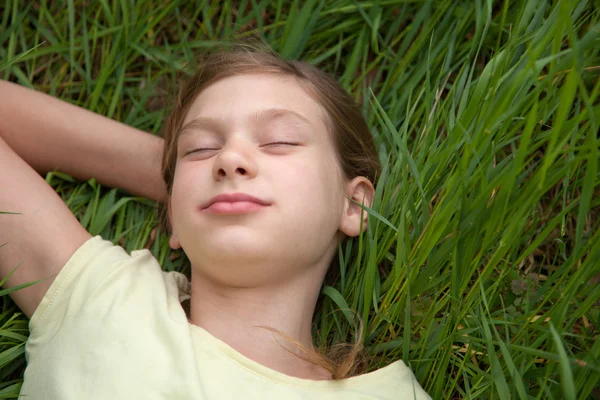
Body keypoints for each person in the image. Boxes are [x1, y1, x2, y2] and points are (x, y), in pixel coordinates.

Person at [0, 45, 430, 399]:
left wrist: (188, 170)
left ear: (353, 206)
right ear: (172, 219)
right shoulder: (106, 299)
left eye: (279, 142)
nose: (229, 158)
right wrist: (175, 179)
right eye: (202, 148)